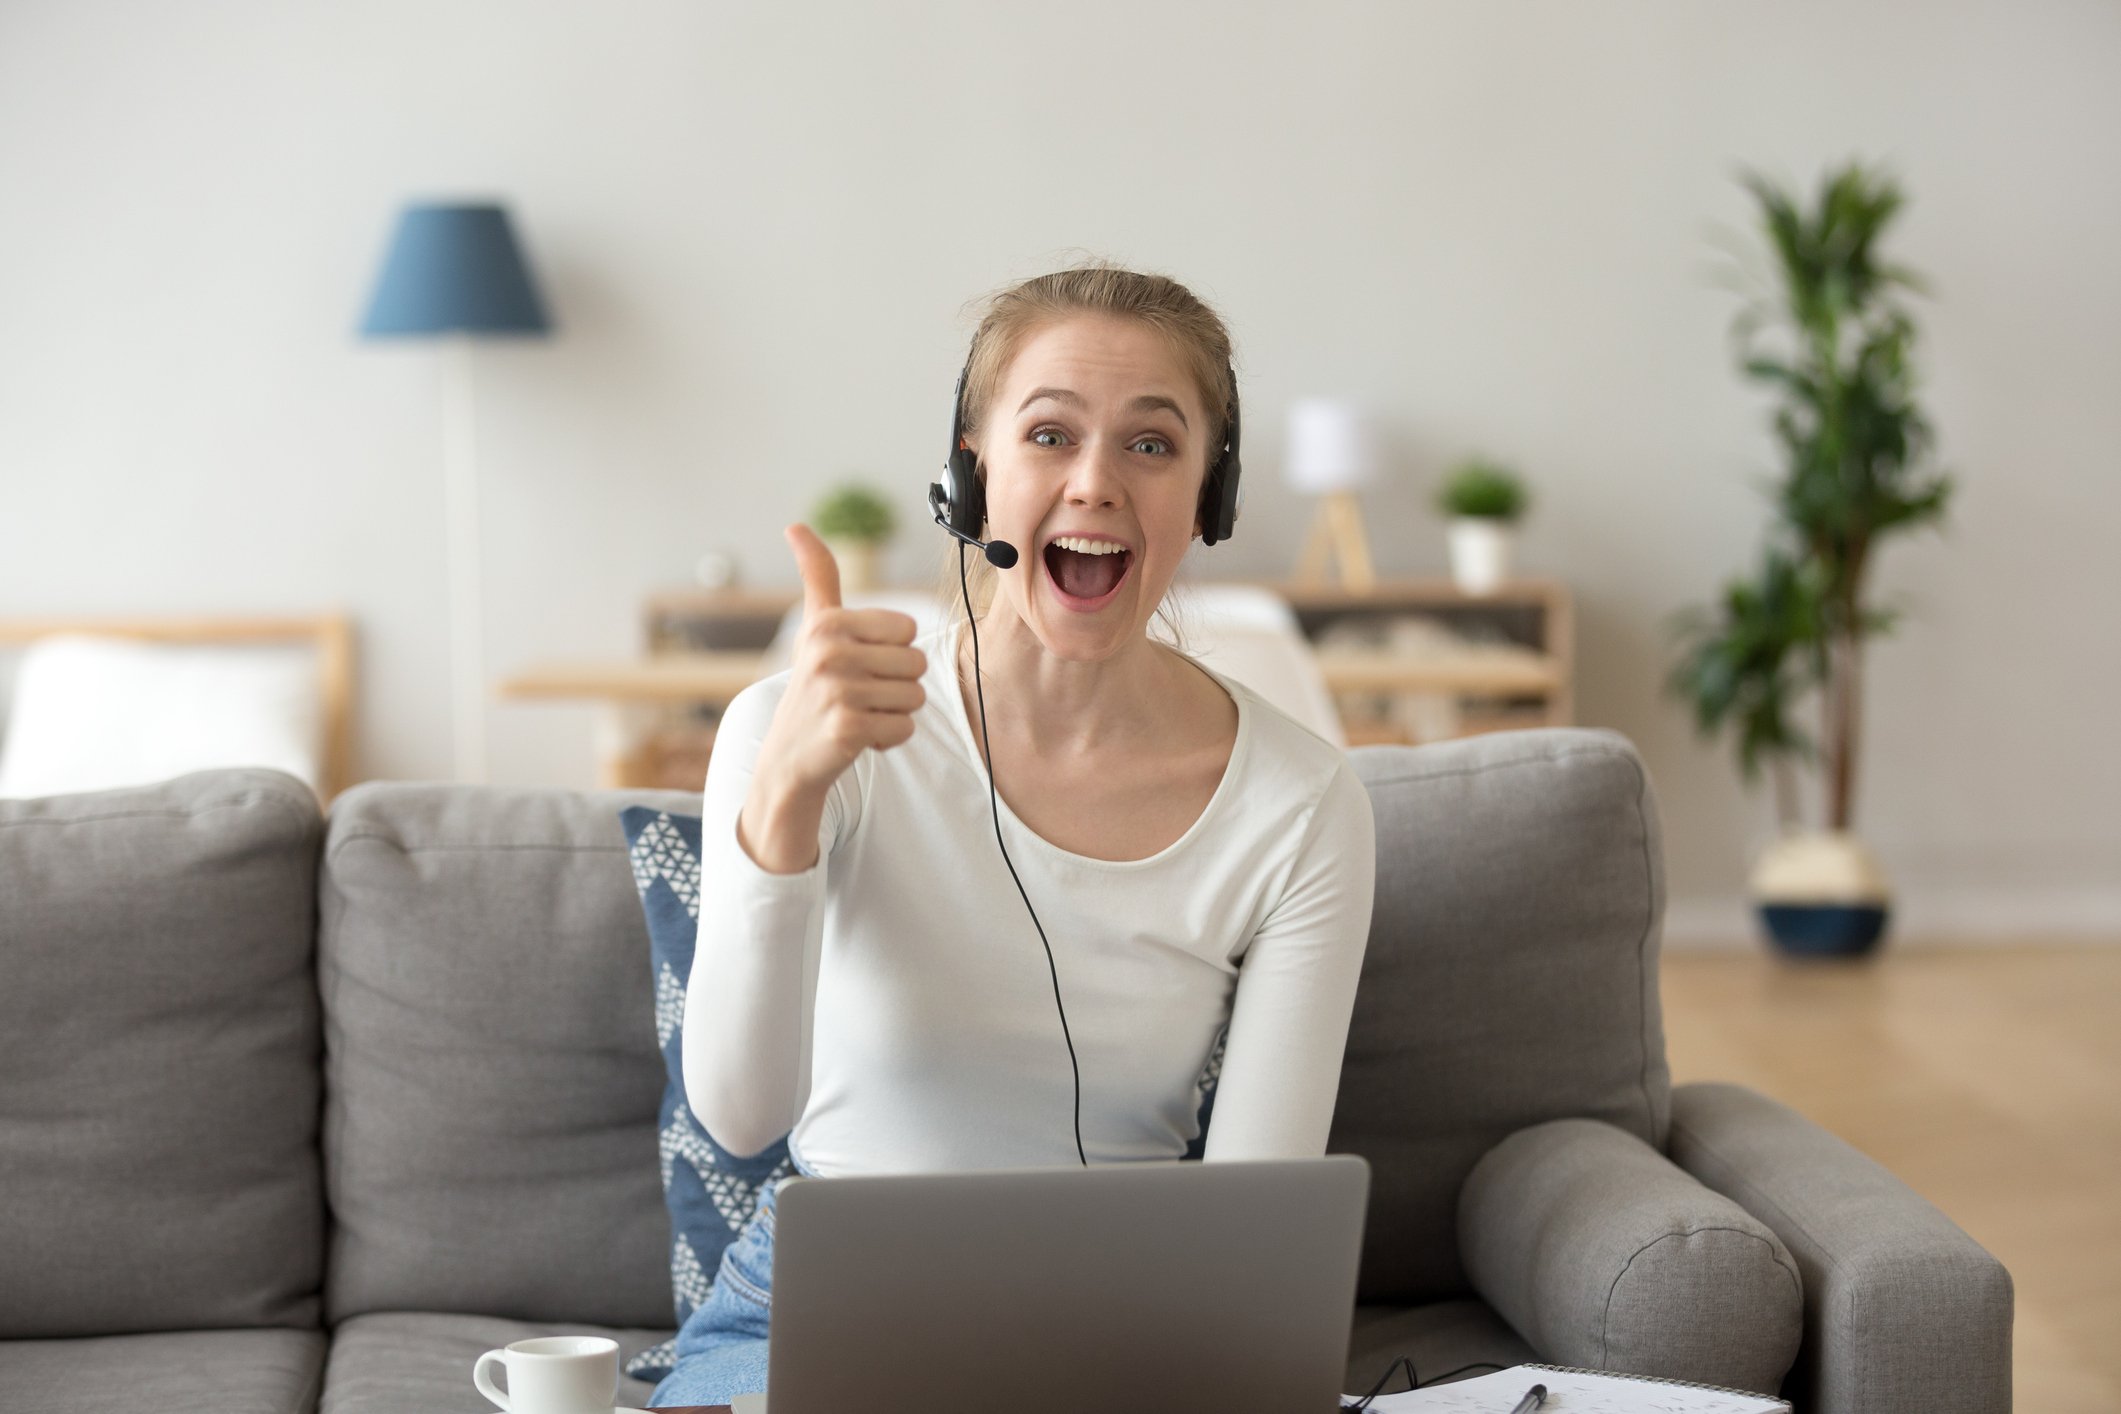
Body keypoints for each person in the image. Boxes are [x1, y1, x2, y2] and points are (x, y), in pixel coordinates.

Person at [649, 261, 1377, 1408]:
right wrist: (782, 800)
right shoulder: (794, 730)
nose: (1095, 484)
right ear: (970, 476)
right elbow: (739, 1122)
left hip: (1136, 1326)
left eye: (1151, 444)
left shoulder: (1301, 803)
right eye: (1049, 435)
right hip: (814, 1312)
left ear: (1208, 500)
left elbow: (1257, 1228)